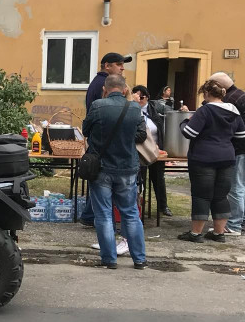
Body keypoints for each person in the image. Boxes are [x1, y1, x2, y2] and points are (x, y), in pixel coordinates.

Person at [82, 74, 148, 269]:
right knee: (130, 214)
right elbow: (142, 135)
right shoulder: (135, 108)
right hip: (127, 167)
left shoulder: (97, 106)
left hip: (101, 167)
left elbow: (86, 130)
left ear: (105, 89)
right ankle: (139, 259)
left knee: (103, 214)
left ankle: (109, 259)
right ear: (125, 90)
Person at [177, 79, 245, 243]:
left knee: (201, 195)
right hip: (227, 157)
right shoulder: (234, 112)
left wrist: (185, 122)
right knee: (221, 196)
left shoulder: (205, 110)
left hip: (203, 157)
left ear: (206, 93)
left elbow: (189, 133)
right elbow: (241, 136)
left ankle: (195, 233)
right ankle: (219, 233)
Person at [209, 72, 245, 237]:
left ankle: (234, 224)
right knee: (241, 186)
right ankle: (240, 221)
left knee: (235, 187)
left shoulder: (230, 100)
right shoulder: (240, 95)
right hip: (240, 148)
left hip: (237, 149)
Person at [131, 85, 171, 217]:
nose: (139, 99)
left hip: (155, 149)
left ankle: (163, 206)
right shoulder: (132, 109)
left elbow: (163, 122)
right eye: (136, 96)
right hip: (139, 150)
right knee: (139, 178)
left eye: (141, 97)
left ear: (147, 97)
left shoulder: (154, 109)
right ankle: (137, 204)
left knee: (158, 178)